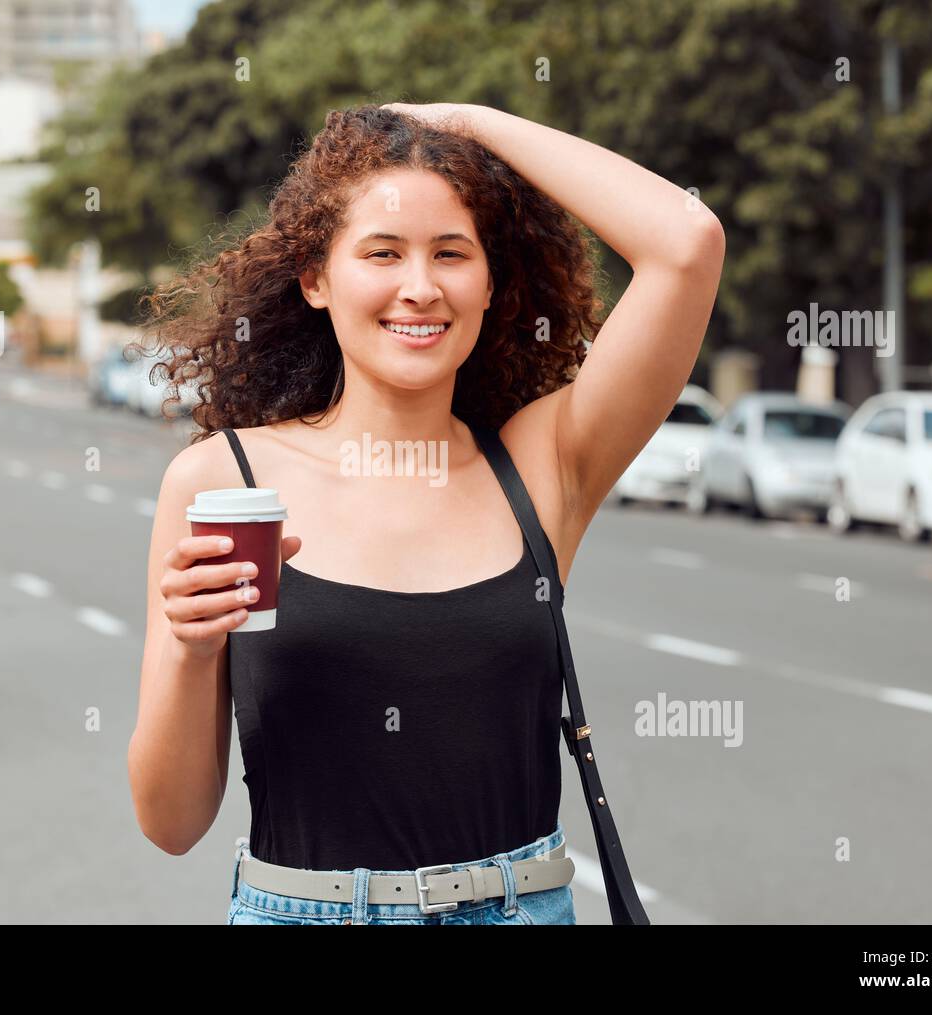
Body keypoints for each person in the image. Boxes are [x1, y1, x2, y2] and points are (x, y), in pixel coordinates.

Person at [128, 103, 724, 924]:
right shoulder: (223, 482)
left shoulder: (543, 465)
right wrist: (192, 653)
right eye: (382, 252)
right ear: (316, 277)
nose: (420, 286)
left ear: (489, 283)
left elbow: (687, 245)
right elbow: (170, 823)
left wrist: (465, 123)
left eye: (452, 252)